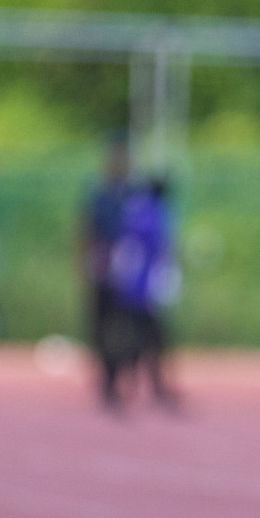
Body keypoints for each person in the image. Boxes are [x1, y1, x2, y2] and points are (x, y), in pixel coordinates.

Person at [109, 179, 181, 408]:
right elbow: (163, 251)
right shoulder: (156, 217)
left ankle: (130, 382)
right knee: (151, 339)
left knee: (138, 336)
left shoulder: (134, 213)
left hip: (131, 285)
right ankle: (145, 383)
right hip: (146, 288)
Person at [80, 134, 137, 410]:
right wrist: (84, 264)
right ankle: (106, 377)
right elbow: (85, 229)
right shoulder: (98, 192)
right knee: (100, 324)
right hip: (103, 265)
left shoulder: (134, 194)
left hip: (127, 269)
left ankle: (119, 374)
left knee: (125, 325)